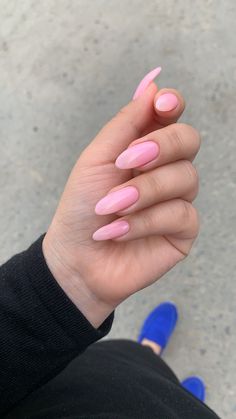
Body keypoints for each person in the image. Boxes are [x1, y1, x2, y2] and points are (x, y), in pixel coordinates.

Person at [0, 68, 220, 418]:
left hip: (69, 387)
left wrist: (66, 280)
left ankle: (149, 357)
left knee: (133, 372)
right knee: (170, 400)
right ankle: (166, 384)